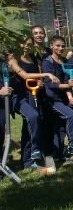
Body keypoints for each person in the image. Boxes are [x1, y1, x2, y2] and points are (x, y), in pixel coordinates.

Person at [8, 38, 59, 168]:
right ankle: (35, 149)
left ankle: (27, 161)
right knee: (32, 117)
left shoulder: (34, 60)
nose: (26, 46)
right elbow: (25, 76)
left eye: (29, 44)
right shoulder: (13, 59)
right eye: (23, 43)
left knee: (29, 126)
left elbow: (37, 76)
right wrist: (47, 74)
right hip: (18, 96)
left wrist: (40, 82)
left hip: (33, 94)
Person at [42, 35, 73, 157]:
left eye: (63, 46)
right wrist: (67, 85)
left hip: (64, 98)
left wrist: (70, 97)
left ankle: (58, 154)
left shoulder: (64, 61)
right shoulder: (47, 62)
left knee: (60, 127)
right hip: (53, 99)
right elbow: (50, 85)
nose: (60, 48)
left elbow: (65, 80)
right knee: (71, 115)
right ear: (51, 46)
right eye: (57, 46)